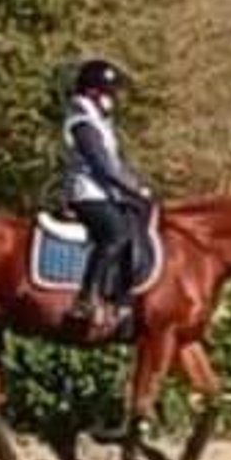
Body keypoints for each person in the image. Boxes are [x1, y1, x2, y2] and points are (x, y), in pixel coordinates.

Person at [61, 58, 151, 326]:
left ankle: (123, 296)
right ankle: (86, 297)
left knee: (139, 222)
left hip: (105, 193)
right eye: (109, 92)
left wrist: (138, 187)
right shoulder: (81, 122)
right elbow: (103, 166)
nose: (113, 99)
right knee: (116, 233)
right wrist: (133, 189)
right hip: (86, 194)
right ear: (92, 92)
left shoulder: (100, 122)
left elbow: (117, 164)